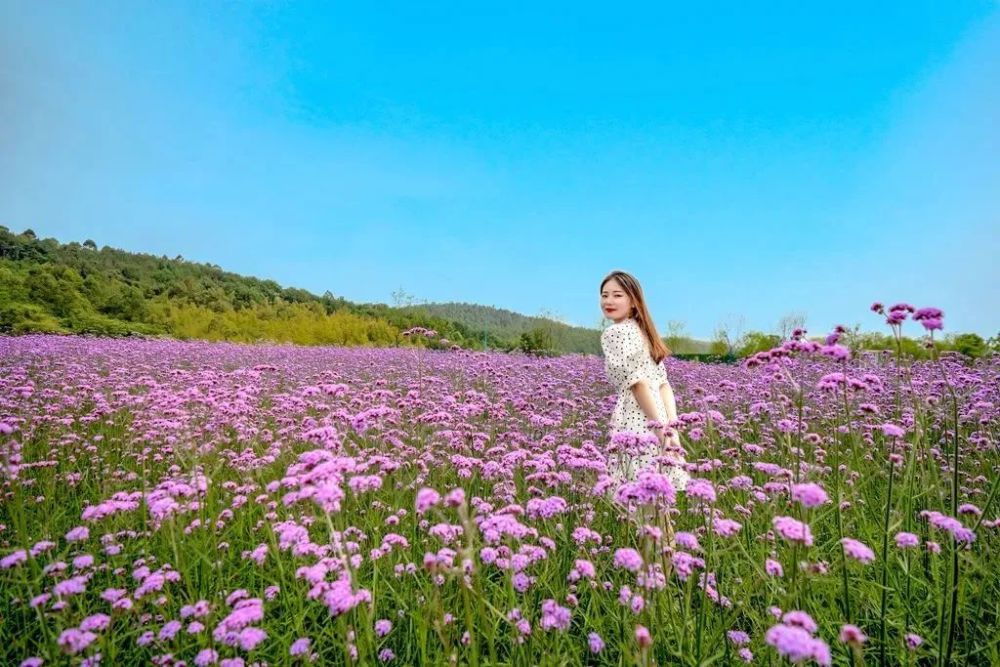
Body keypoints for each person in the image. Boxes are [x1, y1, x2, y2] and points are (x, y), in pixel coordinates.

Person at [599, 270, 689, 492]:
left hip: (636, 421)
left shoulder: (615, 333)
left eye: (617, 295)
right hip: (659, 416)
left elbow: (638, 384)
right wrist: (671, 431)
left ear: (633, 301)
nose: (608, 301)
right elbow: (663, 385)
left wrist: (659, 430)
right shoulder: (644, 333)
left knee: (641, 507)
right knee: (661, 505)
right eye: (604, 295)